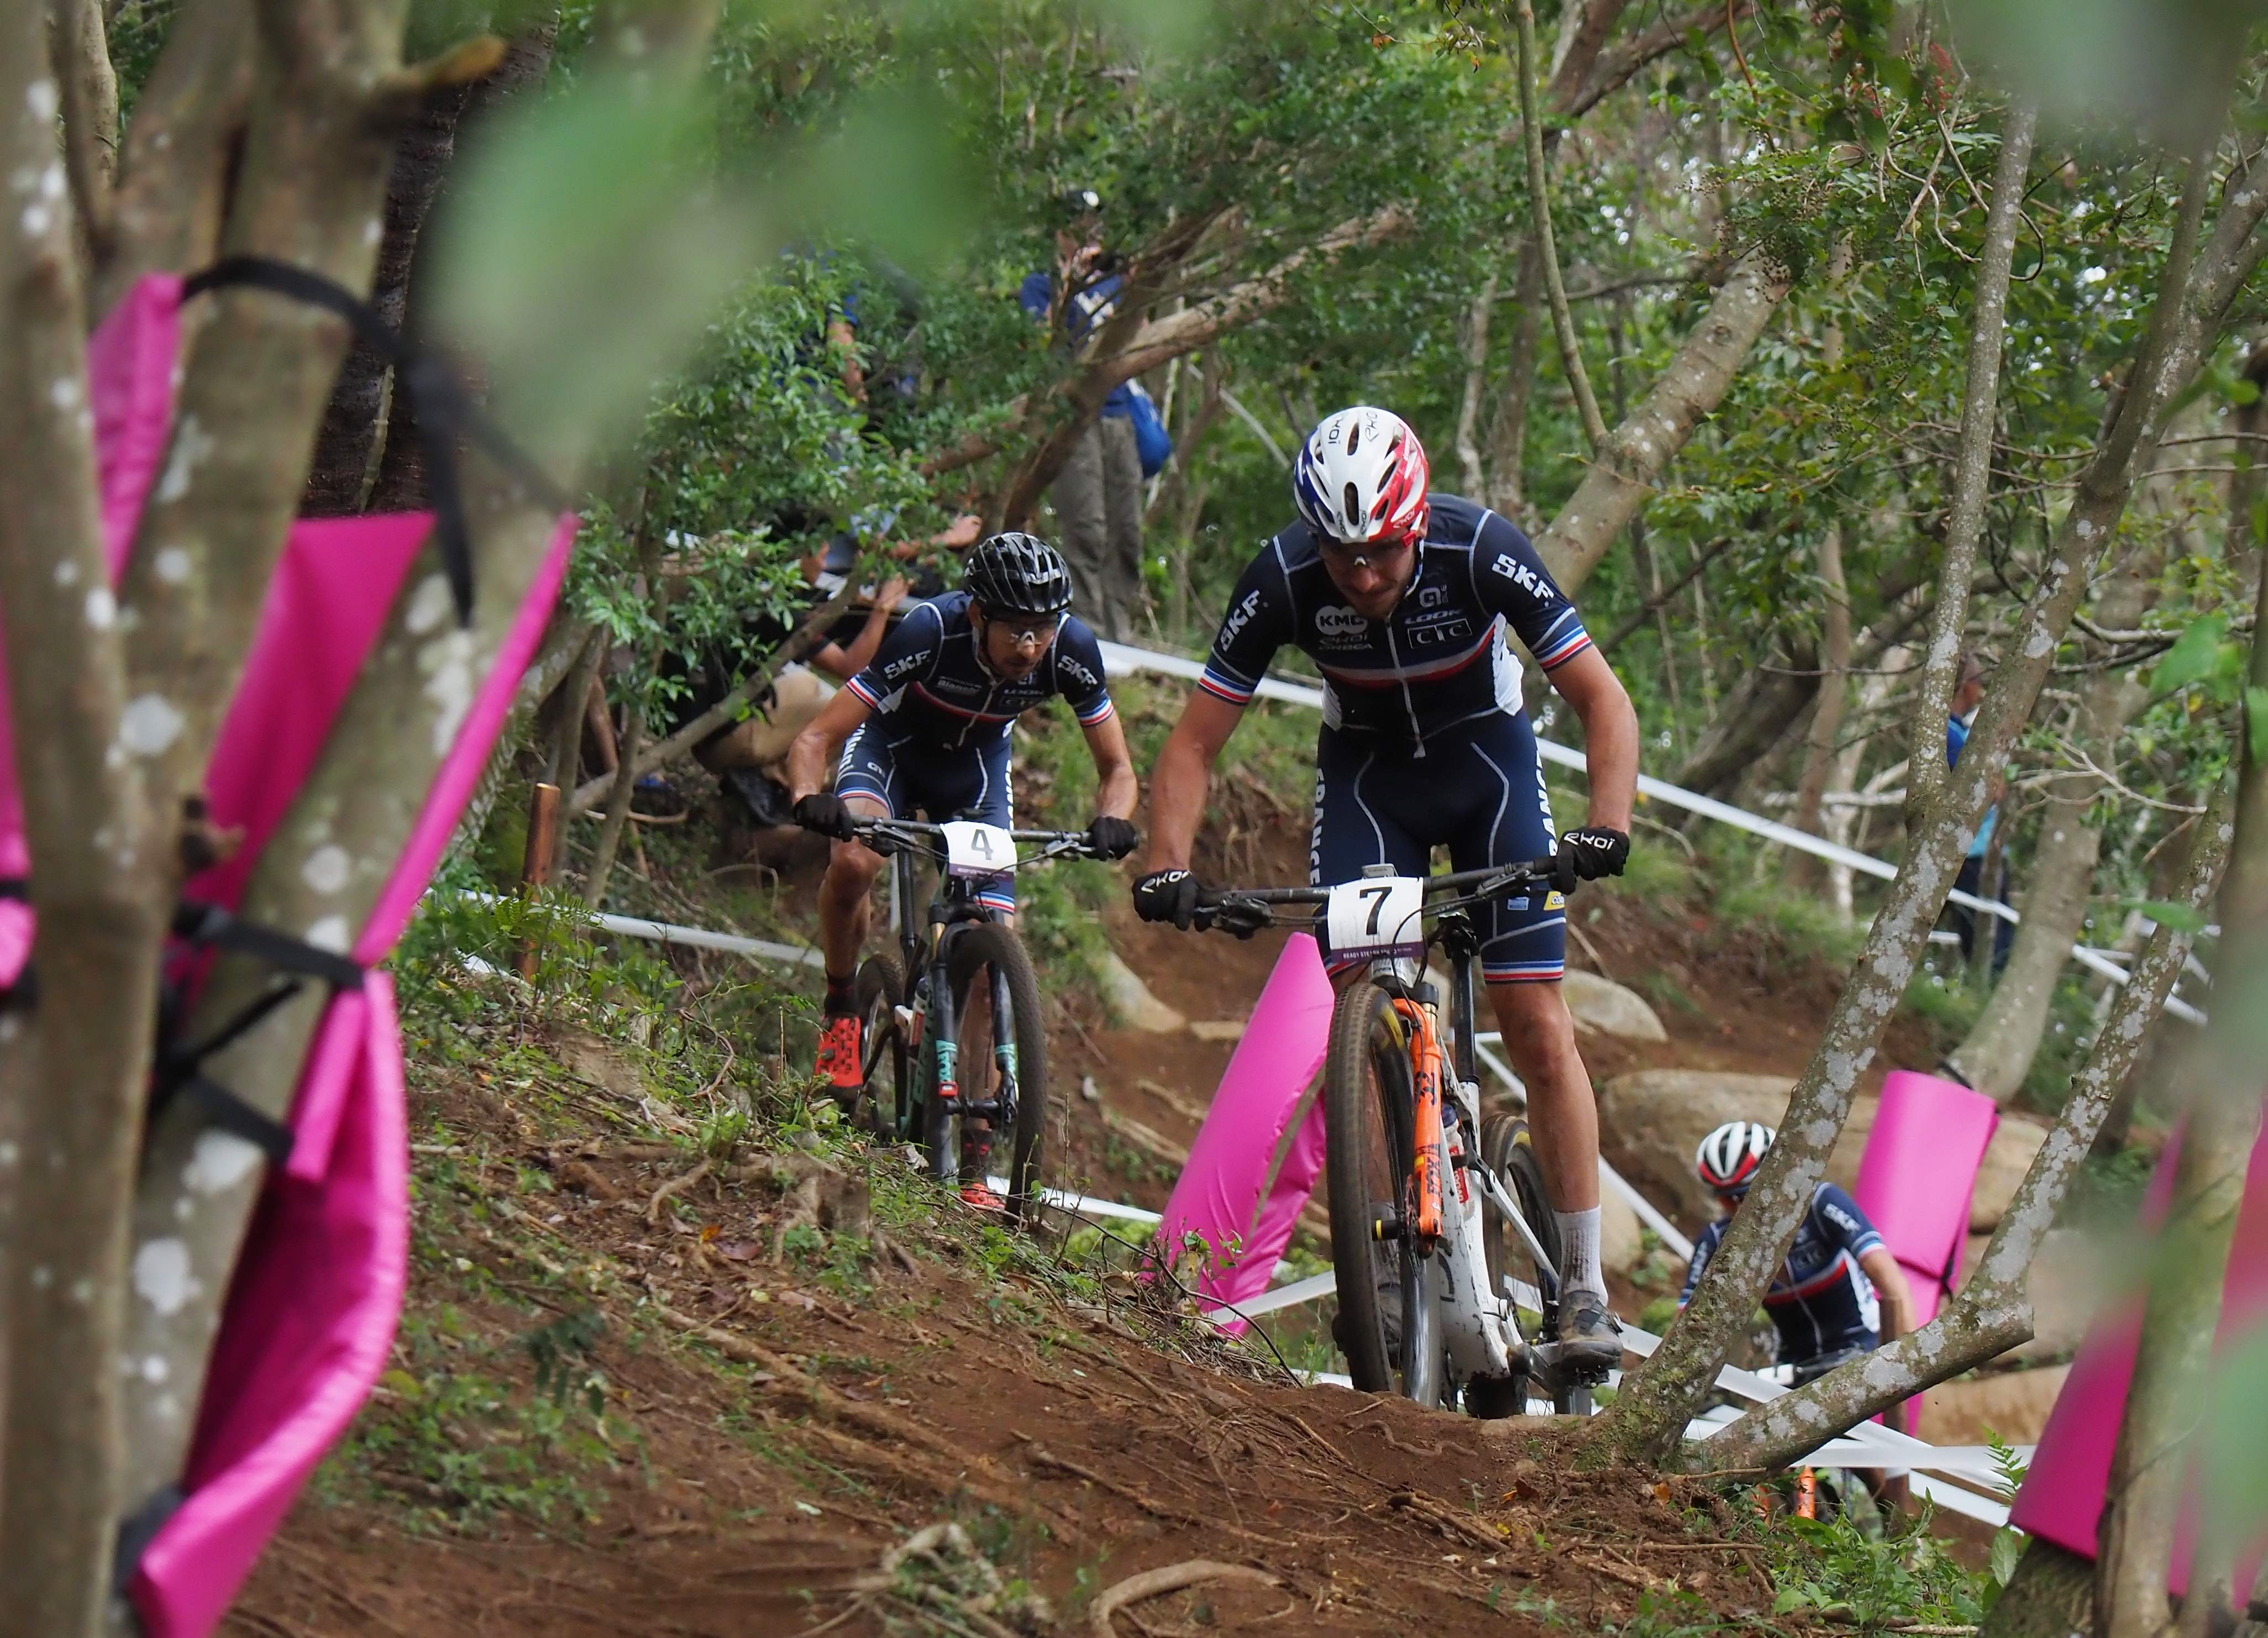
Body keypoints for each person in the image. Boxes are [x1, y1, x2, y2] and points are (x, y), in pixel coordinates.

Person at [1131, 406, 1641, 1367]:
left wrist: (1604, 824)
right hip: (1372, 785)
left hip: (1486, 773)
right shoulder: (1283, 575)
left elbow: (1601, 699)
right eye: (1342, 556)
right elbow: (1195, 741)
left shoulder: (1479, 546)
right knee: (1361, 1011)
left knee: (1534, 1020)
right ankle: (1388, 1264)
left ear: (1413, 526)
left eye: (1380, 554)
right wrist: (1166, 862)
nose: (1362, 576)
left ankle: (1580, 1284)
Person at [785, 533, 1142, 1202]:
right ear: (979, 613)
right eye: (1017, 631)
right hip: (891, 749)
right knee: (856, 859)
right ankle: (840, 1010)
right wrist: (811, 799)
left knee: (986, 963)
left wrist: (1113, 817)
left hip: (975, 774)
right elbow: (815, 737)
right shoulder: (929, 631)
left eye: (1043, 630)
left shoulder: (1072, 647)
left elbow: (1118, 769)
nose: (1032, 647)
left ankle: (975, 1154)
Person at [1680, 1121, 1917, 1406]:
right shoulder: (1716, 1241)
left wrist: (1904, 1364)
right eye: (1728, 1201)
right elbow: (1685, 1328)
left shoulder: (1821, 1204)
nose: (1741, 1209)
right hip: (1793, 1365)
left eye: (1746, 1194)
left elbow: (1893, 1285)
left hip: (1858, 1347)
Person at [1019, 189, 1165, 642]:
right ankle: (1090, 632)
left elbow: (1141, 336)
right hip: (1072, 414)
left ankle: (1121, 631)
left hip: (1119, 411)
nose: (1089, 231)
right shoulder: (1040, 284)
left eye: (1094, 223)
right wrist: (1068, 284)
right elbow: (1038, 346)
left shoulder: (1116, 281)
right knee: (1087, 528)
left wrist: (1131, 279)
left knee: (1125, 529)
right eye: (1078, 223)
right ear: (1061, 232)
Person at [1945, 654, 2014, 974]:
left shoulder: (1957, 732)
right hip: (1972, 851)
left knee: (1986, 933)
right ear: (1965, 686)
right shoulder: (1950, 736)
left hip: (1978, 848)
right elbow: (1989, 793)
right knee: (1990, 939)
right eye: (1978, 681)